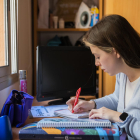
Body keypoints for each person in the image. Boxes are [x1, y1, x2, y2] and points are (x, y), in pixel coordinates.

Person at [66, 14, 140, 140]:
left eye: (98, 56)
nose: (96, 63)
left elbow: (122, 117)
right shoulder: (122, 74)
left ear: (115, 51)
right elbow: (117, 99)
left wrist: (117, 117)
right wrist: (91, 104)